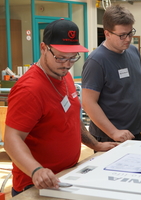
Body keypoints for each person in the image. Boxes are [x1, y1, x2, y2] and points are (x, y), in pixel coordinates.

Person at [4, 19, 118, 197]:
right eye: (61, 57)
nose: (67, 64)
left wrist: (95, 144)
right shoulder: (30, 89)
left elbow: (72, 118)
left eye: (73, 58)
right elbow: (12, 139)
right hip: (35, 184)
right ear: (43, 48)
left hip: (66, 176)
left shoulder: (64, 76)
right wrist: (36, 170)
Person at [81, 5, 141, 143]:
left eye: (130, 33)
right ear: (107, 34)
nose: (128, 39)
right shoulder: (96, 61)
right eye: (122, 35)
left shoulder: (133, 52)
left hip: (135, 132)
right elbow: (88, 103)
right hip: (108, 137)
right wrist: (113, 132)